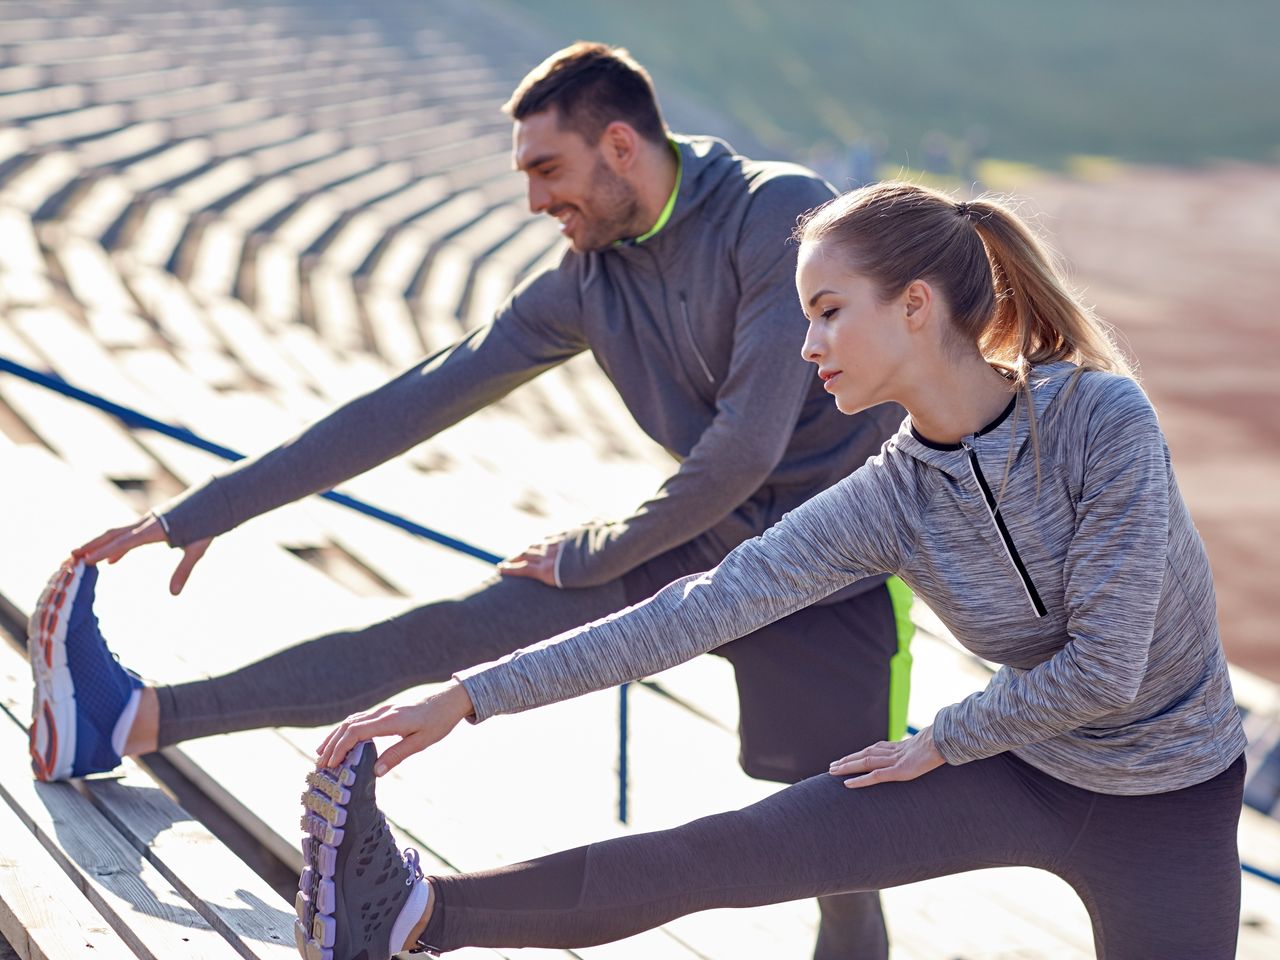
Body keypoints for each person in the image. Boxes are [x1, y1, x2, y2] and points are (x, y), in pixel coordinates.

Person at [31, 43, 908, 959]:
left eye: (547, 169)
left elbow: (744, 449)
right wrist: (205, 509)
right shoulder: (590, 279)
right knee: (444, 636)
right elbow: (416, 397)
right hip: (697, 535)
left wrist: (594, 552)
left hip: (831, 567)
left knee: (839, 857)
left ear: (619, 144)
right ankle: (125, 719)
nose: (534, 200)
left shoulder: (777, 213)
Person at [296, 180, 1248, 960]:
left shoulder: (1101, 420)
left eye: (830, 312)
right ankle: (415, 916)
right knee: (735, 853)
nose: (808, 345)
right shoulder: (891, 497)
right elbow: (695, 612)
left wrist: (946, 739)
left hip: (1169, 801)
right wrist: (466, 697)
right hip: (1019, 763)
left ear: (916, 305)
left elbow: (1108, 667)